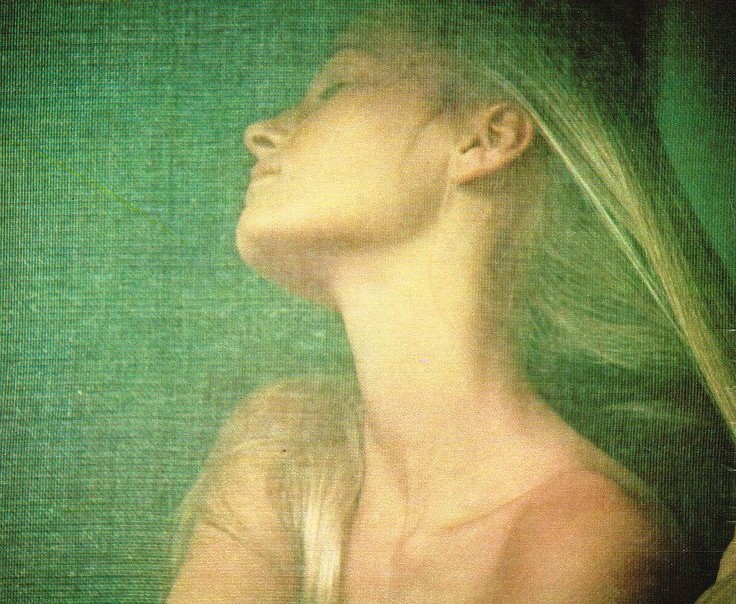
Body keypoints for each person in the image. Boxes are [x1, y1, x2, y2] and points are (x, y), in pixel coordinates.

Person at [167, 1, 736, 602]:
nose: (260, 132)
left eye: (336, 87)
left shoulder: (575, 536)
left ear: (488, 137)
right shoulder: (289, 450)